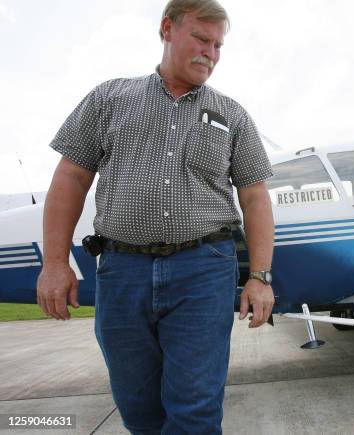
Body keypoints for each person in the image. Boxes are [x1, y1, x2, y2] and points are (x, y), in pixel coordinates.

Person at [36, 0, 275, 433]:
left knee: (195, 410)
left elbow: (255, 197)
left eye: (218, 45)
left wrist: (260, 276)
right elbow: (71, 176)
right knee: (138, 406)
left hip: (205, 270)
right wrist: (55, 262)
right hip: (121, 271)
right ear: (167, 28)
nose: (210, 53)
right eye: (201, 38)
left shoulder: (233, 114)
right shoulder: (109, 97)